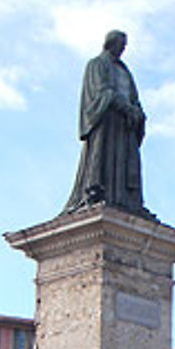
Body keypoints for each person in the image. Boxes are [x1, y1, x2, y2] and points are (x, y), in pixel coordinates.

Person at [63, 30, 148, 215]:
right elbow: (102, 91)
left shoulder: (125, 71)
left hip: (126, 124)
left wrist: (137, 112)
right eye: (121, 44)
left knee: (126, 162)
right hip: (107, 120)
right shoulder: (97, 64)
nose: (123, 49)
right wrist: (125, 107)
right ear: (111, 43)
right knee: (102, 156)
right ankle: (97, 191)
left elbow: (134, 97)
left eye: (125, 46)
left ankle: (125, 198)